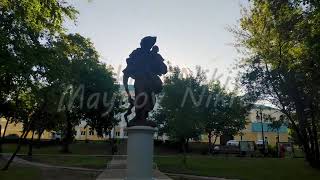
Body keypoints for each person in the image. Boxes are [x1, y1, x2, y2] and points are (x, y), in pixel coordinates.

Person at [123, 36, 167, 127]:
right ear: (143, 44)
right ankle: (139, 118)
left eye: (150, 45)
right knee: (141, 97)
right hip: (140, 80)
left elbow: (164, 69)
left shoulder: (153, 56)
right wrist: (128, 93)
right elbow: (127, 71)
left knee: (151, 101)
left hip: (151, 82)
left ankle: (142, 118)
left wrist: (157, 61)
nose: (149, 47)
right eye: (147, 44)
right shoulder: (137, 54)